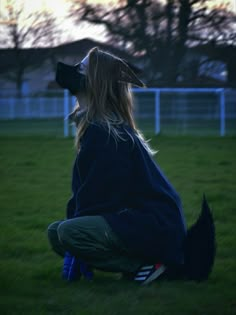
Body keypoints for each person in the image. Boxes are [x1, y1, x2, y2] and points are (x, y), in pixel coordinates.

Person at [47, 47, 188, 285]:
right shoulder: (98, 128)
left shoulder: (107, 134)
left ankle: (149, 265)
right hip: (137, 222)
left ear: (95, 83)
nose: (72, 73)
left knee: (68, 233)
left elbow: (101, 199)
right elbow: (84, 192)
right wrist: (73, 227)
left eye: (81, 69)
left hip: (153, 225)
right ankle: (143, 264)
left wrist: (76, 236)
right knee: (57, 232)